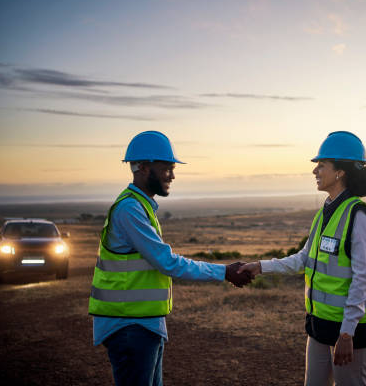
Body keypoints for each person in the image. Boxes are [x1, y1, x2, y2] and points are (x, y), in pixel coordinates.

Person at [88, 130, 251, 386]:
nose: (172, 176)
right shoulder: (130, 210)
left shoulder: (140, 207)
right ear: (142, 167)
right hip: (129, 326)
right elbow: (168, 263)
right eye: (167, 169)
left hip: (143, 324)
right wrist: (224, 271)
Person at [239, 131, 366, 386]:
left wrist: (348, 333)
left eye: (321, 165)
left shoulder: (358, 216)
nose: (315, 171)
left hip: (352, 332)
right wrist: (260, 266)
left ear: (340, 171)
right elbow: (303, 259)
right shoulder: (325, 213)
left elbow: (363, 281)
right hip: (320, 326)